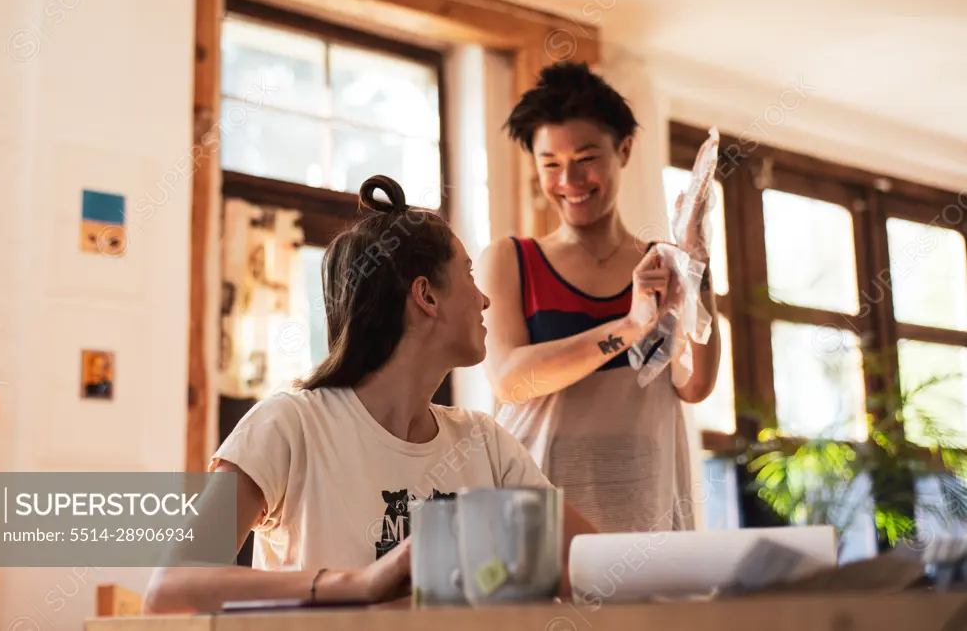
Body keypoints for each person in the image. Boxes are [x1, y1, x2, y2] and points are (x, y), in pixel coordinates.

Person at [143, 175, 598, 615]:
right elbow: (170, 591)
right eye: (468, 275)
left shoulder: (485, 442)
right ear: (426, 295)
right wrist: (358, 583)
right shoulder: (288, 424)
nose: (485, 300)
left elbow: (598, 568)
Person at [478, 62, 721, 534]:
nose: (568, 179)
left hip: (645, 521)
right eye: (550, 164)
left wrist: (695, 267)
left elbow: (695, 385)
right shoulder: (510, 261)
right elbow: (510, 381)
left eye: (586, 158)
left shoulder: (665, 266)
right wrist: (629, 326)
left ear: (624, 149)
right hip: (537, 528)